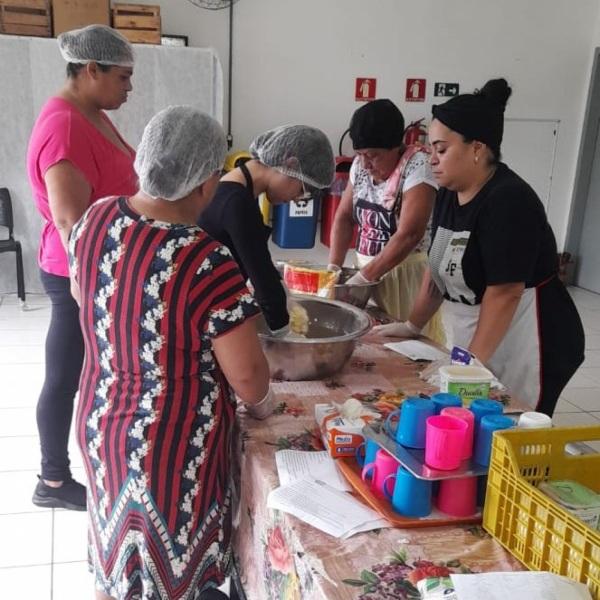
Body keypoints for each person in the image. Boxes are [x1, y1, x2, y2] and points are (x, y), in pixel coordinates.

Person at [68, 105, 273, 600]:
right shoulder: (205, 260)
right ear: (205, 183)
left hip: (102, 427)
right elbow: (250, 380)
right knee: (169, 572)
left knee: (119, 559)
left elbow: (87, 301)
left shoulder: (94, 219)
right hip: (171, 450)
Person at [374, 79, 585, 416]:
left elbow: (505, 293)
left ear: (477, 148)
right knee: (466, 415)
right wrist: (412, 326)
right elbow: (438, 267)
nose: (432, 160)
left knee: (511, 423)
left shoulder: (509, 201)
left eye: (441, 149)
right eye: (430, 150)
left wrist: (470, 363)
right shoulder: (447, 194)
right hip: (479, 329)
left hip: (530, 336)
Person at [26, 24, 137, 510]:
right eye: (122, 77)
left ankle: (93, 465)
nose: (129, 88)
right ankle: (52, 481)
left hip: (100, 269)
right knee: (66, 374)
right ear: (90, 70)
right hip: (76, 274)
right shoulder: (65, 125)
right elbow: (71, 222)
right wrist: (92, 292)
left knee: (85, 372)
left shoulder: (90, 112)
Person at [328, 99, 445, 344]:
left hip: (404, 278)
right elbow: (344, 218)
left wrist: (363, 279)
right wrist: (334, 270)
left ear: (396, 147)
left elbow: (410, 234)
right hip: (367, 275)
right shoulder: (360, 167)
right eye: (360, 155)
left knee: (403, 349)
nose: (366, 163)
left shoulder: (418, 167)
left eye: (374, 156)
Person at [198, 125, 335, 334]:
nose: (296, 199)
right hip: (207, 322)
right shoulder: (238, 203)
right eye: (302, 190)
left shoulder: (230, 189)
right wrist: (285, 337)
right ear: (289, 166)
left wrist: (282, 289)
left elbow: (259, 262)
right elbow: (264, 286)